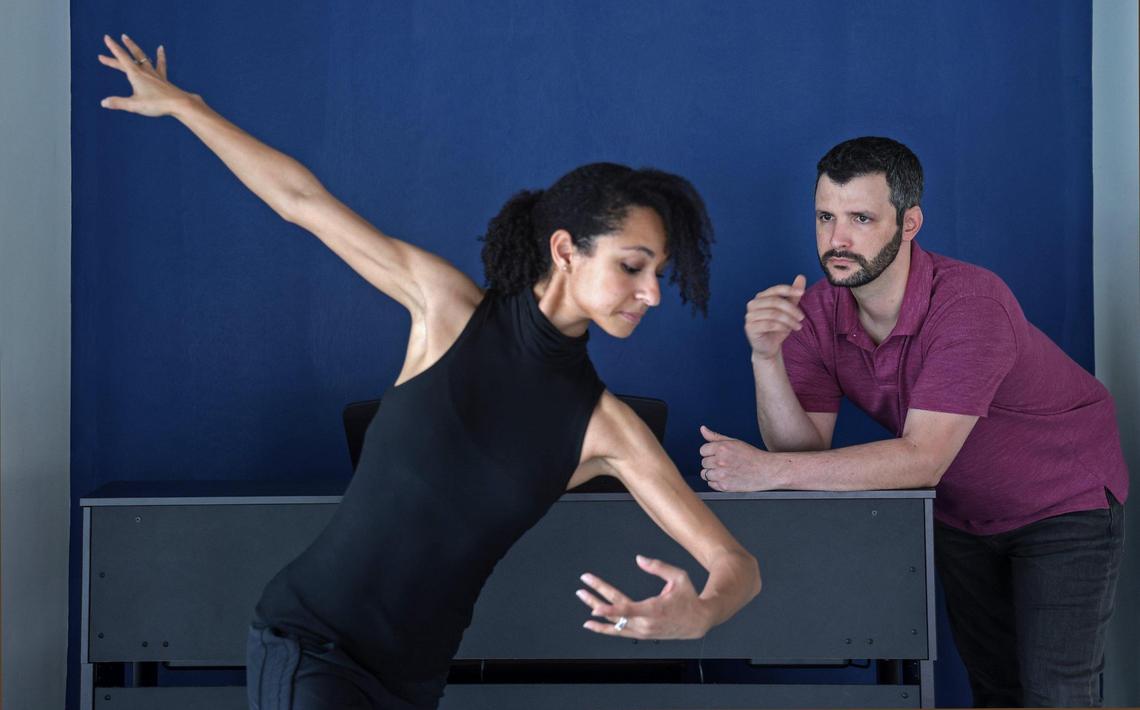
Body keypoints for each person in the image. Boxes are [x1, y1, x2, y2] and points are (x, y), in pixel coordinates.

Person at [98, 34, 760, 710]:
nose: (651, 293)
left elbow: (739, 566)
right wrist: (184, 106)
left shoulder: (605, 428)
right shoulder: (447, 311)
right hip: (313, 645)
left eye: (659, 274)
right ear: (566, 250)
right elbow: (301, 199)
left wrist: (702, 612)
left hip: (411, 686)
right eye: (632, 264)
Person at [698, 135, 1128, 707]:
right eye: (825, 216)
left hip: (1061, 501)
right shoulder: (817, 312)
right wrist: (765, 358)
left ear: (909, 223)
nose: (837, 239)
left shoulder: (970, 304)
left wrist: (764, 472)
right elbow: (805, 451)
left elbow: (922, 458)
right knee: (995, 691)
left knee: (1055, 694)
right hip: (962, 512)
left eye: (861, 218)